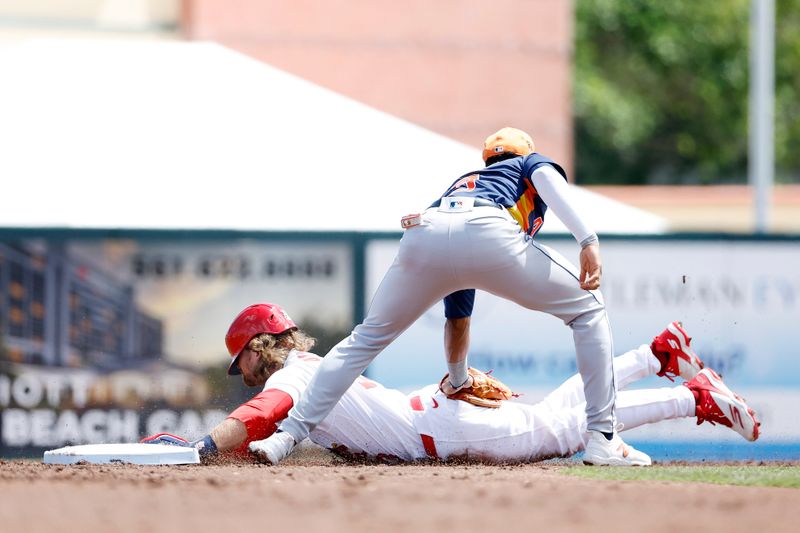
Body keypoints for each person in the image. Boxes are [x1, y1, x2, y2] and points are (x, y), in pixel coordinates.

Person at [258, 127, 639, 465]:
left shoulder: (466, 181)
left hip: (427, 228)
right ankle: (602, 438)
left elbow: (457, 320)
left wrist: (458, 379)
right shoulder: (527, 163)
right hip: (488, 226)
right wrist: (588, 240)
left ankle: (285, 437)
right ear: (521, 152)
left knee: (364, 340)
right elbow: (546, 179)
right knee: (588, 311)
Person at [142, 304, 760, 465]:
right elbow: (263, 426)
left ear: (258, 348)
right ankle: (656, 355)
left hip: (442, 430)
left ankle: (691, 395)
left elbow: (261, 412)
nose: (242, 375)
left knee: (570, 428)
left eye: (241, 363)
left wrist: (203, 447)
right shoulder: (315, 366)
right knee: (559, 416)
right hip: (437, 420)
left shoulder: (299, 374)